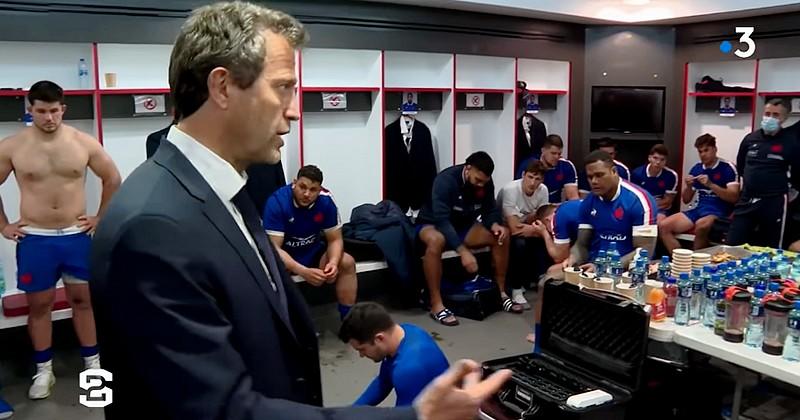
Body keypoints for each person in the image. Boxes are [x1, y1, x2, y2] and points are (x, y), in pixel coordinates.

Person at [89, 3, 509, 420]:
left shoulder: (227, 188)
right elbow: (219, 411)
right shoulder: (154, 227)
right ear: (222, 87)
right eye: (283, 87)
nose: (293, 109)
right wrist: (419, 417)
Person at [0, 80, 121, 400]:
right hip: (36, 238)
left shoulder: (83, 142)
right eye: (41, 111)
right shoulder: (13, 146)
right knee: (40, 306)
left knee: (83, 301)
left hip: (75, 236)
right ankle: (44, 370)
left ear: (63, 109)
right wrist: (3, 225)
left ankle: (93, 367)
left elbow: (112, 178)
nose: (49, 117)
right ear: (30, 110)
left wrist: (100, 217)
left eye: (54, 110)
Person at [416, 151, 515, 326]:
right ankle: (436, 304)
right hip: (433, 223)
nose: (481, 185)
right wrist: (463, 251)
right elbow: (442, 220)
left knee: (501, 236)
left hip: (463, 225)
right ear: (468, 169)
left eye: (484, 181)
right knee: (436, 241)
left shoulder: (484, 182)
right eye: (478, 180)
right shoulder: (445, 181)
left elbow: (490, 209)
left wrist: (494, 224)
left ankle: (500, 293)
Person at [264, 165, 356, 320]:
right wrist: (302, 271)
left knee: (346, 262)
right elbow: (274, 249)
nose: (307, 194)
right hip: (285, 257)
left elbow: (335, 239)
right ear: (294, 183)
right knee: (273, 271)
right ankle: (284, 324)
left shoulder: (326, 201)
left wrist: (333, 263)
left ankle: (348, 320)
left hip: (312, 252)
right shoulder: (277, 202)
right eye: (302, 187)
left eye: (313, 190)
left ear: (319, 190)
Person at [339, 302, 449, 407]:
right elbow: (384, 381)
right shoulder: (406, 331)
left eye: (362, 349)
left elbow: (405, 415)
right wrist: (351, 410)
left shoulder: (409, 369)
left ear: (379, 338)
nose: (361, 355)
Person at [565, 151, 657, 271]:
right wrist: (573, 258)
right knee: (550, 277)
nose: (594, 181)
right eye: (590, 177)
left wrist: (603, 268)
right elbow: (581, 245)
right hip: (593, 266)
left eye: (599, 175)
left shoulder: (639, 200)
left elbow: (645, 251)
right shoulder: (589, 202)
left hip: (627, 271)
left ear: (614, 172)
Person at [727, 99, 800, 249]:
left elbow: (797, 173)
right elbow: (741, 166)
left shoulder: (791, 142)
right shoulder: (750, 139)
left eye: (775, 115)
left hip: (774, 202)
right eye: (767, 114)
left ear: (784, 118)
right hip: (747, 199)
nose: (770, 118)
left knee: (772, 248)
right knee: (733, 243)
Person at [659, 134, 739, 253]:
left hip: (719, 211)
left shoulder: (727, 167)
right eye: (700, 151)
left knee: (701, 225)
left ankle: (698, 261)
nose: (703, 155)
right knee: (663, 226)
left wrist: (711, 185)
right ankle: (682, 260)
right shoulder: (697, 168)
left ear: (715, 149)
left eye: (706, 150)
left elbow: (734, 197)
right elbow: (686, 200)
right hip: (699, 209)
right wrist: (688, 186)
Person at [499, 159, 549, 310]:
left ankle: (542, 279)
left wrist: (537, 229)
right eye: (530, 177)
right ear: (523, 175)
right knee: (519, 243)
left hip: (526, 225)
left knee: (546, 239)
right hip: (503, 226)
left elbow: (543, 221)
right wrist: (536, 229)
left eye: (537, 179)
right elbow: (514, 228)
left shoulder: (543, 190)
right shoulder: (510, 190)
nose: (533, 183)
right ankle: (516, 289)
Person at [516, 134, 579, 203]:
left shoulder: (566, 166)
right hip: (531, 205)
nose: (556, 157)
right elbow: (519, 192)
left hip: (554, 206)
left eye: (559, 154)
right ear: (543, 150)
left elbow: (573, 197)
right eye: (553, 153)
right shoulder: (528, 164)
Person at [630, 144, 678, 221]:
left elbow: (667, 202)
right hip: (641, 207)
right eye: (655, 158)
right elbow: (634, 199)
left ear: (666, 161)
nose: (658, 162)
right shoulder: (637, 173)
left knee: (659, 220)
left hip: (661, 209)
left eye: (662, 160)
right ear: (649, 158)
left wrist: (648, 204)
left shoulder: (671, 175)